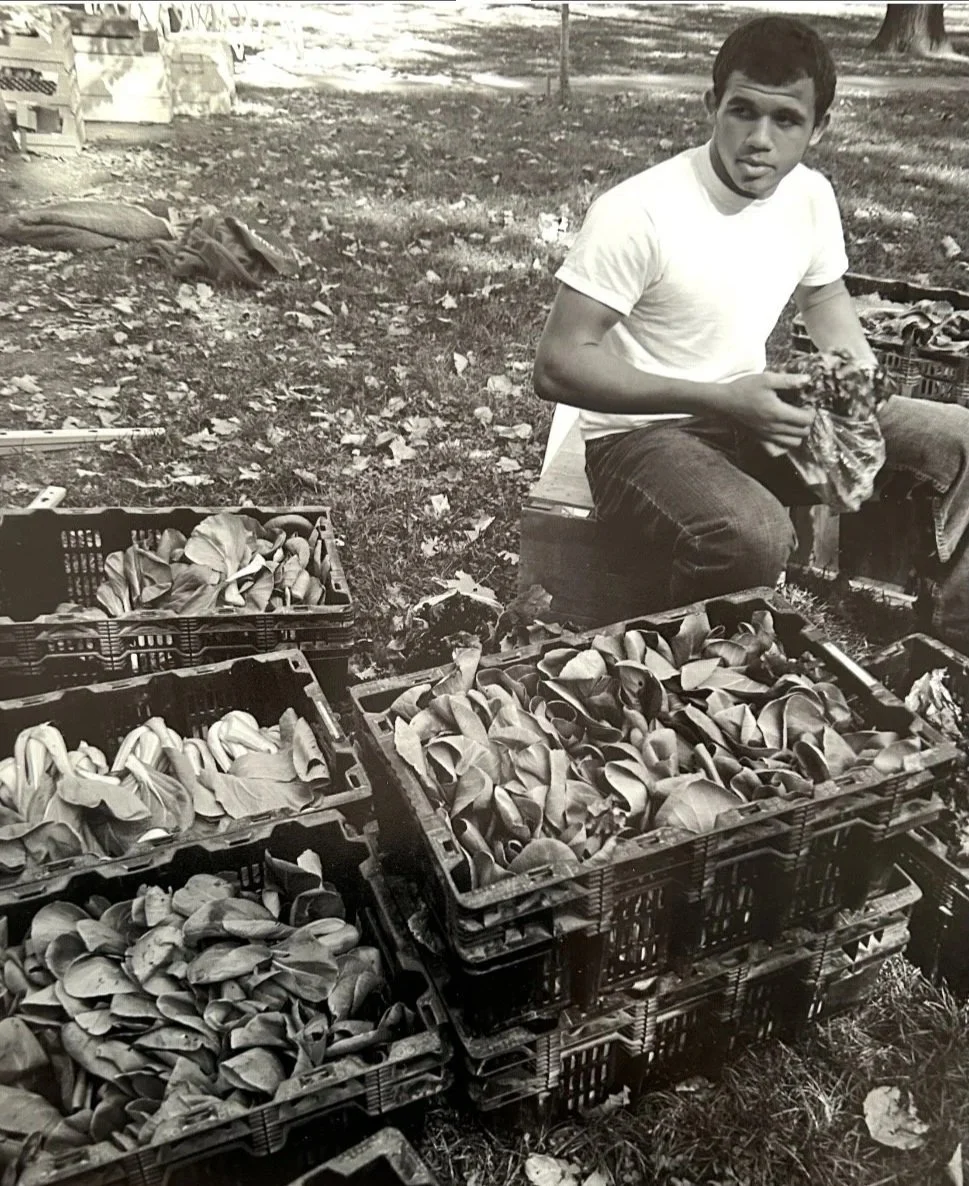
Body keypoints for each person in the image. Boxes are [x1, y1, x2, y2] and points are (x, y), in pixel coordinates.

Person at [532, 13, 969, 653]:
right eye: (743, 111)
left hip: (757, 409)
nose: (759, 139)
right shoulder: (639, 212)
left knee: (958, 439)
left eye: (786, 119)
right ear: (713, 105)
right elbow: (558, 365)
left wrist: (853, 388)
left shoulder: (810, 197)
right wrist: (719, 397)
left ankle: (952, 645)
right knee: (754, 534)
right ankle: (694, 673)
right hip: (641, 439)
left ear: (818, 127)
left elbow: (824, 295)